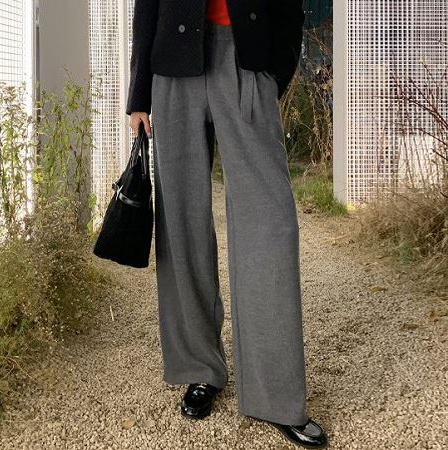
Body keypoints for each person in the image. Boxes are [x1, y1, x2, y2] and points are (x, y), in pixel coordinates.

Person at [126, 0, 327, 447]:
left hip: (245, 57)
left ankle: (276, 395)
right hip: (172, 65)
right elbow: (146, 5)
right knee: (181, 223)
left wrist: (273, 72)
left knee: (270, 226)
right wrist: (139, 95)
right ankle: (200, 368)